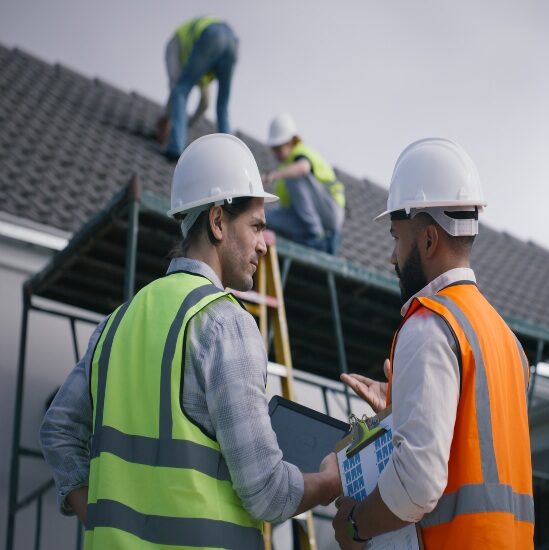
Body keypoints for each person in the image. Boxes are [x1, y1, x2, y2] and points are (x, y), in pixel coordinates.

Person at [40, 134, 341, 549]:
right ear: (217, 221)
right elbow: (266, 492)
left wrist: (101, 518)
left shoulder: (114, 324)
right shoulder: (225, 323)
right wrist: (328, 482)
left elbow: (58, 428)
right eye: (255, 226)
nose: (262, 245)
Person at [333, 138, 534, 549]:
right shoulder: (507, 342)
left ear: (427, 240)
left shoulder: (429, 326)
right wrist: (402, 406)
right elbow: (474, 446)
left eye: (396, 238)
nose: (392, 256)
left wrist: (357, 523)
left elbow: (419, 483)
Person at [261, 113, 345, 254]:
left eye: (278, 148)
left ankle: (316, 238)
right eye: (274, 149)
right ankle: (308, 237)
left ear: (290, 142)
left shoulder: (301, 154)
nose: (276, 154)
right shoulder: (285, 168)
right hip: (307, 219)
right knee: (266, 218)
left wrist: (272, 176)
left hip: (330, 212)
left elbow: (303, 168)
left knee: (293, 175)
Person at [157, 17, 239, 160]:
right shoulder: (202, 62)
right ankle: (231, 157)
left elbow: (177, 90)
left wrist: (167, 119)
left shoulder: (180, 46)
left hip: (212, 36)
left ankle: (175, 147)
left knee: (181, 90)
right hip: (233, 41)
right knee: (222, 105)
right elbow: (205, 103)